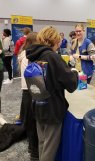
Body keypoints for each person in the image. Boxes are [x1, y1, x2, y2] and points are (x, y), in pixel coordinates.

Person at [26, 26, 78, 161]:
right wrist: (74, 72)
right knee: (50, 148)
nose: (60, 43)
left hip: (37, 105)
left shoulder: (32, 55)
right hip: (52, 109)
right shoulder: (53, 57)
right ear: (54, 40)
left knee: (42, 143)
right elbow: (71, 84)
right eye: (58, 40)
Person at [18, 32, 39, 160]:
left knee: (30, 122)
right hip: (30, 92)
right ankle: (34, 153)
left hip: (27, 92)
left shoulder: (24, 54)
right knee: (33, 123)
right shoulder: (29, 56)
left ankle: (32, 149)